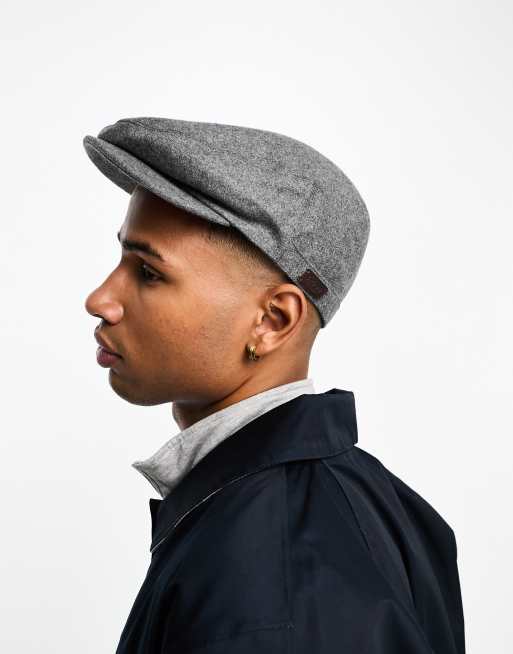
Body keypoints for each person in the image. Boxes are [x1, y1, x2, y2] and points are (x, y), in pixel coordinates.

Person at [83, 117, 466, 653]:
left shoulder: (272, 573)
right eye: (121, 257)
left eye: (148, 272)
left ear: (273, 320)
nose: (100, 300)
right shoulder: (352, 506)